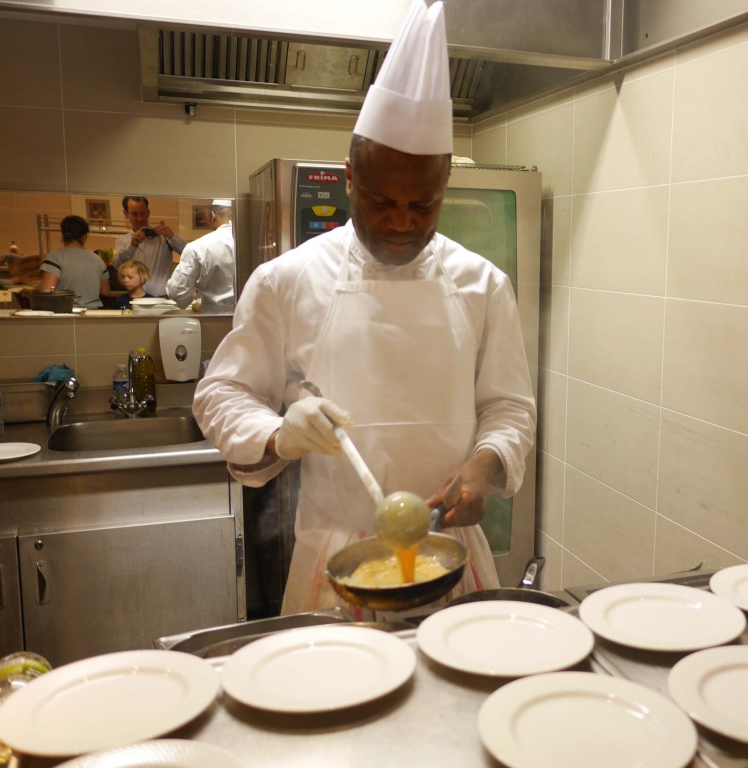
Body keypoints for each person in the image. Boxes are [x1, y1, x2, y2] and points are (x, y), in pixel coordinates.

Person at [194, 0, 536, 615]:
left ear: (443, 192)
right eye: (381, 200)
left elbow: (508, 407)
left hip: (450, 559)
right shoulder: (288, 280)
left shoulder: (482, 284)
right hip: (335, 566)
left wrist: (485, 466)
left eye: (423, 206)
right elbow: (219, 396)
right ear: (349, 177)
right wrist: (279, 435)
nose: (401, 222)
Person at [166, 199, 235, 313]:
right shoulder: (258, 244)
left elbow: (178, 294)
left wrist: (194, 292)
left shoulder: (197, 247)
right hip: (252, 322)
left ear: (213, 215)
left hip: (213, 323)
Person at [113, 196, 186, 297]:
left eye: (143, 213)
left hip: (162, 298)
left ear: (148, 213)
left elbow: (188, 253)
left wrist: (172, 236)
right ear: (126, 214)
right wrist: (132, 246)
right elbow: (117, 265)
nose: (139, 218)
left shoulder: (163, 236)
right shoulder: (122, 240)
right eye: (134, 214)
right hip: (135, 299)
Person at [38, 216, 110, 309]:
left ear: (63, 235)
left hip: (66, 313)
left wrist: (32, 291)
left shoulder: (55, 256)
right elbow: (105, 292)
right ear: (84, 236)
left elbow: (46, 290)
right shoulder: (98, 259)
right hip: (93, 314)